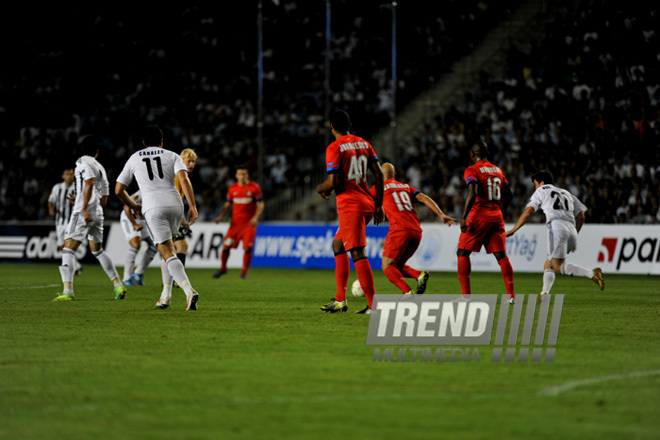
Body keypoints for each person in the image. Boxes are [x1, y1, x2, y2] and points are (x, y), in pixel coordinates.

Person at [115, 125, 200, 310]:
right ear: (161, 142)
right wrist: (192, 206)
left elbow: (118, 190)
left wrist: (133, 206)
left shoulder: (134, 158)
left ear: (144, 142)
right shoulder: (172, 155)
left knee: (167, 252)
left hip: (153, 207)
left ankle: (188, 291)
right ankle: (166, 296)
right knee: (169, 251)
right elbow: (184, 180)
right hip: (175, 205)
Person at [317, 109, 384, 314]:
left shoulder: (334, 147)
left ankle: (374, 305)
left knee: (357, 252)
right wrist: (379, 204)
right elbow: (379, 174)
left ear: (331, 127)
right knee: (338, 245)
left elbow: (332, 181)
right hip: (367, 202)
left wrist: (320, 189)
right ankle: (340, 300)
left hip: (351, 205)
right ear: (350, 125)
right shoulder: (364, 143)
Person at [506, 170, 604, 302]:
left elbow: (528, 212)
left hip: (557, 227)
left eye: (536, 184)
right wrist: (574, 235)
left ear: (542, 182)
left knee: (556, 267)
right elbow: (581, 216)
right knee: (548, 265)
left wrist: (514, 229)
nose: (535, 187)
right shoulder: (566, 192)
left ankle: (592, 273)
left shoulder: (541, 191)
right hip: (572, 229)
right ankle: (544, 294)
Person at [54, 136, 126, 301]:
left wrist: (84, 206)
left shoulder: (82, 163)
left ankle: (68, 291)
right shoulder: (100, 167)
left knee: (68, 249)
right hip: (98, 212)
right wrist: (83, 200)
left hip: (83, 212)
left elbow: (88, 183)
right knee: (98, 251)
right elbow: (104, 198)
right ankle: (118, 285)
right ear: (97, 152)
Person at [371, 163, 457, 298]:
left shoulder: (378, 187)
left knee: (387, 266)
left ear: (381, 176)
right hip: (416, 231)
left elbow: (366, 203)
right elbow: (424, 198)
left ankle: (407, 292)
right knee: (397, 266)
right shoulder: (405, 186)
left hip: (399, 229)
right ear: (395, 175)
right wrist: (441, 214)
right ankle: (419, 275)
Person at [457, 141, 515, 303]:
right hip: (496, 217)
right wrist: (500, 212)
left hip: (479, 216)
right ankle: (511, 297)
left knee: (462, 252)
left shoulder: (472, 169)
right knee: (502, 256)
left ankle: (466, 297)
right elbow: (509, 195)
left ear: (472, 154)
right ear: (487, 153)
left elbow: (473, 191)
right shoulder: (497, 170)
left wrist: (464, 216)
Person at [212, 165, 264, 279]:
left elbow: (260, 205)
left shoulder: (254, 188)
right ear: (236, 176)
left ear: (247, 175)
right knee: (226, 247)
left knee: (247, 248)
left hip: (249, 224)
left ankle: (244, 272)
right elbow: (227, 206)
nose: (242, 176)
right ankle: (223, 268)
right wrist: (220, 216)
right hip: (235, 224)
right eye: (240, 174)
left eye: (244, 174)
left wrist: (256, 217)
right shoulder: (232, 189)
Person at [48, 168, 82, 276]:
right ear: (63, 176)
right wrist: (51, 209)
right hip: (60, 222)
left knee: (68, 245)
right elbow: (50, 201)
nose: (69, 176)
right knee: (62, 246)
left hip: (72, 220)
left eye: (71, 174)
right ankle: (76, 265)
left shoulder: (77, 188)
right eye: (67, 174)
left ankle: (71, 267)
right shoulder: (57, 188)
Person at [119, 190, 158, 286]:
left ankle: (138, 273)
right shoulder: (142, 192)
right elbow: (126, 207)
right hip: (129, 218)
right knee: (136, 244)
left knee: (155, 245)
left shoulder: (159, 193)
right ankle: (126, 278)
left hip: (142, 220)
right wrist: (134, 224)